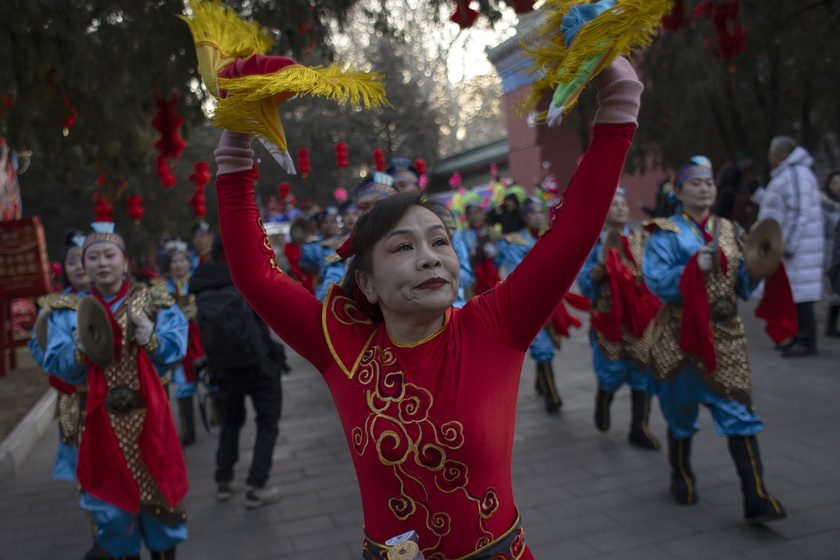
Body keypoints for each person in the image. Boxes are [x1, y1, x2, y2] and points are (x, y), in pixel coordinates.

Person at [211, 50, 641, 557]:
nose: (429, 259)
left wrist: (618, 94)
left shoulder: (495, 326)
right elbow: (253, 272)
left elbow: (574, 229)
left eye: (439, 242)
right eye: (402, 247)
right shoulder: (341, 346)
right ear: (366, 284)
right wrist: (236, 138)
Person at [642, 156, 787, 525]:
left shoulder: (732, 229)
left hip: (726, 333)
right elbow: (656, 281)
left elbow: (744, 282)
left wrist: (759, 266)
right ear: (678, 192)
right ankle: (681, 474)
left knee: (739, 412)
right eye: (695, 183)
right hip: (681, 335)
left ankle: (755, 496)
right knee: (681, 416)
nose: (705, 188)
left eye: (709, 182)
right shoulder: (664, 232)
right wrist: (690, 269)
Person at [43, 217, 189, 560]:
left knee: (162, 511)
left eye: (110, 255)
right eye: (92, 258)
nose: (102, 263)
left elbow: (176, 347)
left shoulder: (154, 302)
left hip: (150, 421)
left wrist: (152, 341)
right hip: (98, 424)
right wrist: (79, 350)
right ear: (82, 264)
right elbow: (56, 364)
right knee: (112, 516)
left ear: (125, 261)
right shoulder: (68, 312)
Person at [189, 236, 287, 509]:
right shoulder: (247, 276)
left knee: (231, 423)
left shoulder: (202, 282)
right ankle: (256, 485)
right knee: (267, 423)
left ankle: (224, 481)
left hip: (223, 368)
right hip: (259, 365)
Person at [576, 189, 661, 449]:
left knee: (642, 371)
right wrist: (600, 269)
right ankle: (604, 396)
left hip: (640, 317)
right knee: (611, 371)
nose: (621, 208)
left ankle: (639, 427)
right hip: (609, 317)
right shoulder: (593, 242)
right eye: (614, 204)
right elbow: (584, 283)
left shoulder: (640, 238)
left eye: (624, 203)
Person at [751, 136, 824, 357]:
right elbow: (778, 206)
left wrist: (788, 245)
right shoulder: (789, 173)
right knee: (793, 294)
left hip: (799, 249)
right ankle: (797, 336)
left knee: (801, 294)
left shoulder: (795, 173)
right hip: (793, 247)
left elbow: (798, 211)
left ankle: (807, 340)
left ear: (777, 155)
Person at [29, 229, 91, 482]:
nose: (78, 267)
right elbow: (39, 346)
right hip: (75, 391)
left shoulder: (117, 297)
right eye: (71, 262)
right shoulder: (54, 306)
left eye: (84, 259)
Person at [496, 197, 564, 413]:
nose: (537, 217)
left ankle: (541, 383)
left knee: (548, 342)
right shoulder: (516, 241)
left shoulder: (548, 237)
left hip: (549, 300)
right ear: (525, 216)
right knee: (542, 346)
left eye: (540, 213)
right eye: (532, 213)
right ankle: (553, 396)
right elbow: (519, 273)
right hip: (528, 302)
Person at [159, 239, 206, 445]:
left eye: (181, 260)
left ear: (189, 262)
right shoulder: (162, 289)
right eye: (174, 261)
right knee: (183, 385)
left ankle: (218, 415)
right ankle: (188, 431)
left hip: (201, 338)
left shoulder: (198, 281)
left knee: (210, 378)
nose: (178, 265)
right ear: (168, 266)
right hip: (179, 341)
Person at [820, 170, 840, 337]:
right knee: (834, 292)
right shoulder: (822, 205)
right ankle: (831, 326)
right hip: (830, 253)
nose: (838, 187)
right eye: (835, 183)